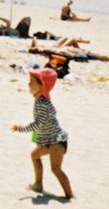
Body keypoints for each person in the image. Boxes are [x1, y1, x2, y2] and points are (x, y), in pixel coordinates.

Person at [11, 68, 73, 199]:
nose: (28, 85)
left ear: (41, 86)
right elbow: (41, 126)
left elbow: (37, 124)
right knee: (34, 155)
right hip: (48, 140)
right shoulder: (39, 101)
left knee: (56, 169)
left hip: (56, 141)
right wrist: (37, 139)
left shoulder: (42, 104)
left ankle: (70, 195)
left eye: (31, 82)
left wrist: (20, 129)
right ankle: (38, 184)